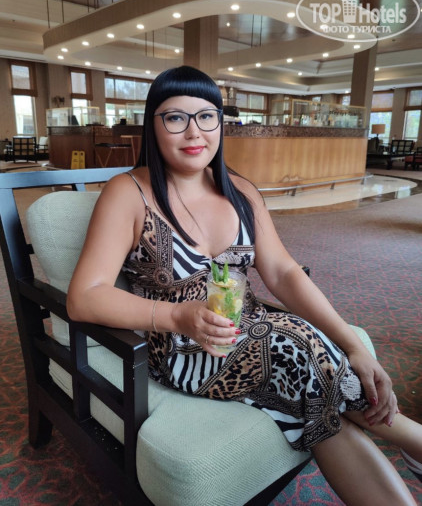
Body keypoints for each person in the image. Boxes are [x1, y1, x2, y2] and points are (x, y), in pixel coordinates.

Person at [67, 65, 422, 505]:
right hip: (182, 349)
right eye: (175, 117)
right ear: (152, 125)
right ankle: (413, 440)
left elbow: (284, 272)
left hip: (251, 327)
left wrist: (352, 345)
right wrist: (178, 316)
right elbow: (85, 296)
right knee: (299, 347)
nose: (194, 131)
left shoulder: (240, 191)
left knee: (318, 398)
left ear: (220, 122)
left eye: (207, 116)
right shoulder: (127, 192)